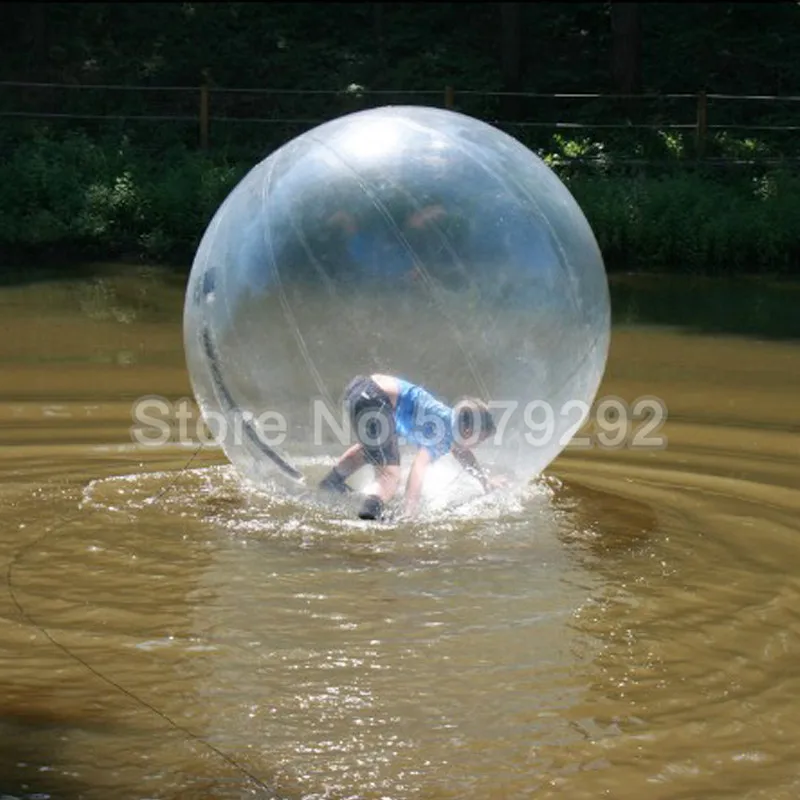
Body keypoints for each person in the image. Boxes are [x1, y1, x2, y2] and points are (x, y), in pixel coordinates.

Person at [318, 374, 497, 520]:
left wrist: (484, 481)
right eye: (479, 440)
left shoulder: (448, 419)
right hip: (376, 399)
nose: (478, 445)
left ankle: (331, 482)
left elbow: (463, 453)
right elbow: (419, 467)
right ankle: (368, 518)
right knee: (390, 477)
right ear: (467, 431)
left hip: (360, 388)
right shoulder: (444, 434)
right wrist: (409, 512)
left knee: (373, 450)